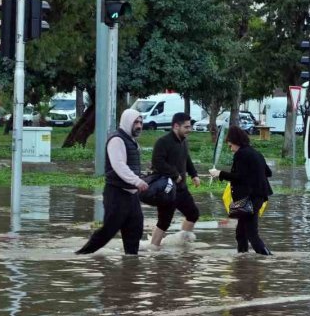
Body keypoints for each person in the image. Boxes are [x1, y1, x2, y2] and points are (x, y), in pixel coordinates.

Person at [76, 109, 149, 255]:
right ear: (127, 122)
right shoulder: (117, 140)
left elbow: (131, 166)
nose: (139, 125)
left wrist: (143, 176)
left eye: (141, 122)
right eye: (136, 122)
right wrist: (137, 181)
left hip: (131, 195)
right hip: (116, 193)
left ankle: (131, 262)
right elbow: (119, 166)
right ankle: (82, 255)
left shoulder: (132, 141)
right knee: (108, 230)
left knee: (135, 228)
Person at [209, 125, 273, 255]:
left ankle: (268, 258)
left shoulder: (241, 154)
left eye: (230, 146)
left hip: (249, 199)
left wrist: (219, 173)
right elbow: (268, 172)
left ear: (236, 142)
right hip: (258, 197)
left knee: (251, 233)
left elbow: (239, 176)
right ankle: (242, 260)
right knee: (241, 233)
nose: (231, 149)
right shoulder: (256, 153)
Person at [147, 112, 201, 249]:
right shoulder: (163, 142)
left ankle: (181, 242)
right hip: (167, 189)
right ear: (176, 126)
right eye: (187, 127)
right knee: (164, 222)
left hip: (181, 188)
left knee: (193, 214)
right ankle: (153, 249)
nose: (190, 130)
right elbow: (157, 162)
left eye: (190, 126)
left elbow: (186, 159)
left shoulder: (183, 141)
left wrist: (194, 174)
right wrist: (174, 174)